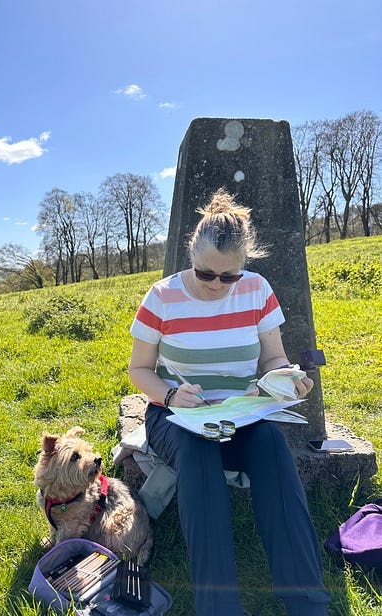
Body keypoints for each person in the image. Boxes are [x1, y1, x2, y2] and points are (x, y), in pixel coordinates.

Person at [128, 189, 331, 615]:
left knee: (274, 449)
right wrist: (169, 394)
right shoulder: (161, 297)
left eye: (229, 277)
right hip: (176, 415)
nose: (217, 286)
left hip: (240, 413)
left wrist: (283, 377)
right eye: (206, 274)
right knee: (197, 456)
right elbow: (139, 370)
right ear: (191, 256)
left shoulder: (258, 290)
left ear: (244, 268)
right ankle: (219, 607)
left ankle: (307, 602)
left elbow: (273, 356)